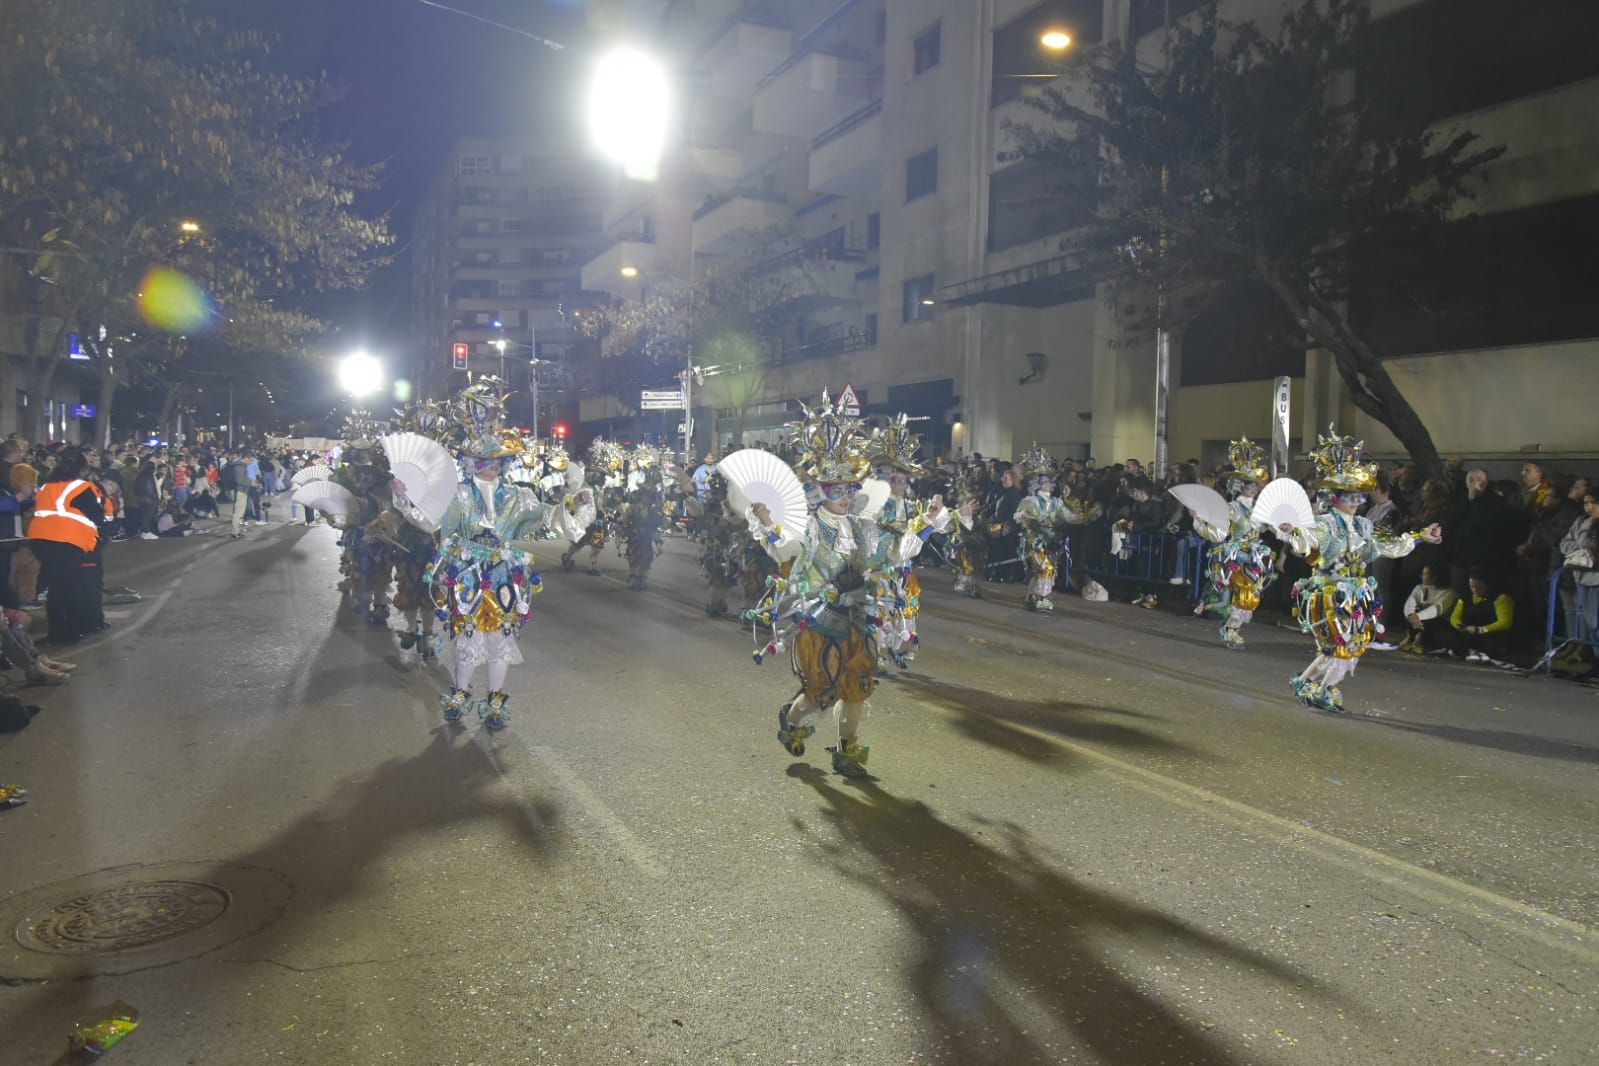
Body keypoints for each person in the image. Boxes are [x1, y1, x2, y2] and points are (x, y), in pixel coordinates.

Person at [745, 397, 948, 778]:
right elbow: (784, 548)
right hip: (820, 622)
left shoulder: (862, 525)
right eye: (837, 490)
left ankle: (846, 750)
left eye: (850, 489)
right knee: (819, 693)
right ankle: (790, 722)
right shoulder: (809, 525)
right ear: (822, 490)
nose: (845, 498)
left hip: (859, 617)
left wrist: (927, 524)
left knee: (858, 685)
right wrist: (768, 521)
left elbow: (891, 552)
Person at [1279, 429, 1440, 713]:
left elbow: (1385, 546)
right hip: (1329, 594)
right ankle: (1324, 689)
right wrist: (1294, 534)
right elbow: (1309, 548)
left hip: (1356, 595)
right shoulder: (1324, 523)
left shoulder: (1364, 525)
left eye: (1358, 496)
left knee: (1341, 647)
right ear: (1335, 496)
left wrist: (1419, 536)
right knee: (1342, 647)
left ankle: (1304, 682)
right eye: (1349, 496)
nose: (1356, 502)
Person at [428, 381, 557, 731]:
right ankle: (460, 692)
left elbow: (547, 517)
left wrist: (574, 504)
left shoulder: (518, 496)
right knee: (467, 636)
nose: (490, 468)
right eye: (483, 461)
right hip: (468, 573)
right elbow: (437, 524)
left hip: (503, 575)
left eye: (496, 462)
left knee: (500, 638)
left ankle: (496, 701)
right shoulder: (458, 495)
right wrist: (405, 498)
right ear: (470, 462)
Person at [1191, 439, 1276, 651]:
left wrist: (1286, 527)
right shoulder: (1232, 508)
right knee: (1246, 595)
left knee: (1251, 598)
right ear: (1239, 486)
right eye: (1248, 484)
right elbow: (1217, 532)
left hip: (1256, 556)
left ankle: (1232, 627)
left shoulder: (1260, 509)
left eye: (1255, 484)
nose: (1252, 489)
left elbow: (1272, 529)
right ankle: (1230, 629)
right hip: (1236, 557)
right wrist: (1198, 520)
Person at [28, 449, 104, 646]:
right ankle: (65, 632)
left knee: (57, 587)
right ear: (81, 468)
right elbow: (96, 515)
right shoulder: (81, 487)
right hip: (66, 541)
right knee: (68, 588)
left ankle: (58, 630)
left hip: (39, 539)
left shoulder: (46, 486)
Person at [1014, 448, 1091, 613]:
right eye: (1045, 482)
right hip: (1034, 541)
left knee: (1041, 571)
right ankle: (1042, 597)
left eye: (1050, 482)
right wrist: (1031, 517)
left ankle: (1031, 597)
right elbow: (1020, 515)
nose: (1049, 484)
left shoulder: (1056, 502)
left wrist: (1084, 516)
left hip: (1051, 541)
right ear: (1037, 485)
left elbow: (1068, 516)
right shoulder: (1031, 500)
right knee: (1046, 568)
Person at [1446, 568, 1515, 664]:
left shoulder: (1501, 598)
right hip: (1469, 632)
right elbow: (1455, 617)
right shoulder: (1466, 597)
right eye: (1472, 587)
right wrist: (1462, 627)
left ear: (1487, 585)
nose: (1474, 590)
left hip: (1490, 635)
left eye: (1478, 587)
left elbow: (1505, 623)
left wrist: (1480, 630)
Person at [1398, 564, 1456, 654]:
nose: (1421, 576)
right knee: (1411, 615)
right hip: (1420, 622)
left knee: (1432, 621)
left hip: (1439, 625)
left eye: (1425, 574)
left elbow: (1437, 609)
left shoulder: (1449, 592)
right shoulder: (1419, 588)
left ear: (1435, 577)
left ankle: (1424, 642)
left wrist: (1418, 617)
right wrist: (1411, 615)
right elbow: (1410, 603)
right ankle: (1412, 638)